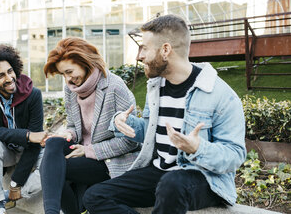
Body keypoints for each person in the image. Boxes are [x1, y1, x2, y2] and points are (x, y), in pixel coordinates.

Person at [83, 14, 247, 214]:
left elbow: (235, 156)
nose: (139, 55)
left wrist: (197, 148)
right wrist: (125, 124)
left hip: (203, 179)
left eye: (145, 48)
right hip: (160, 173)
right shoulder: (157, 86)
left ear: (165, 50)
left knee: (172, 184)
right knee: (94, 196)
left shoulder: (221, 95)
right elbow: (154, 132)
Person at [40, 37, 140, 214]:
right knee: (53, 144)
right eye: (63, 74)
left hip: (109, 160)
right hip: (81, 150)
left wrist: (89, 151)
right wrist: (67, 134)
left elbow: (131, 141)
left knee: (53, 170)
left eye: (69, 72)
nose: (68, 79)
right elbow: (73, 125)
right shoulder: (70, 89)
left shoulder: (115, 87)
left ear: (84, 62)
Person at [0, 44, 47, 214]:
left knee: (54, 161)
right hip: (7, 151)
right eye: (0, 75)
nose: (9, 78)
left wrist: (15, 184)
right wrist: (27, 135)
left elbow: (35, 143)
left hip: (30, 150)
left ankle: (7, 196)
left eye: (10, 71)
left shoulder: (33, 95)